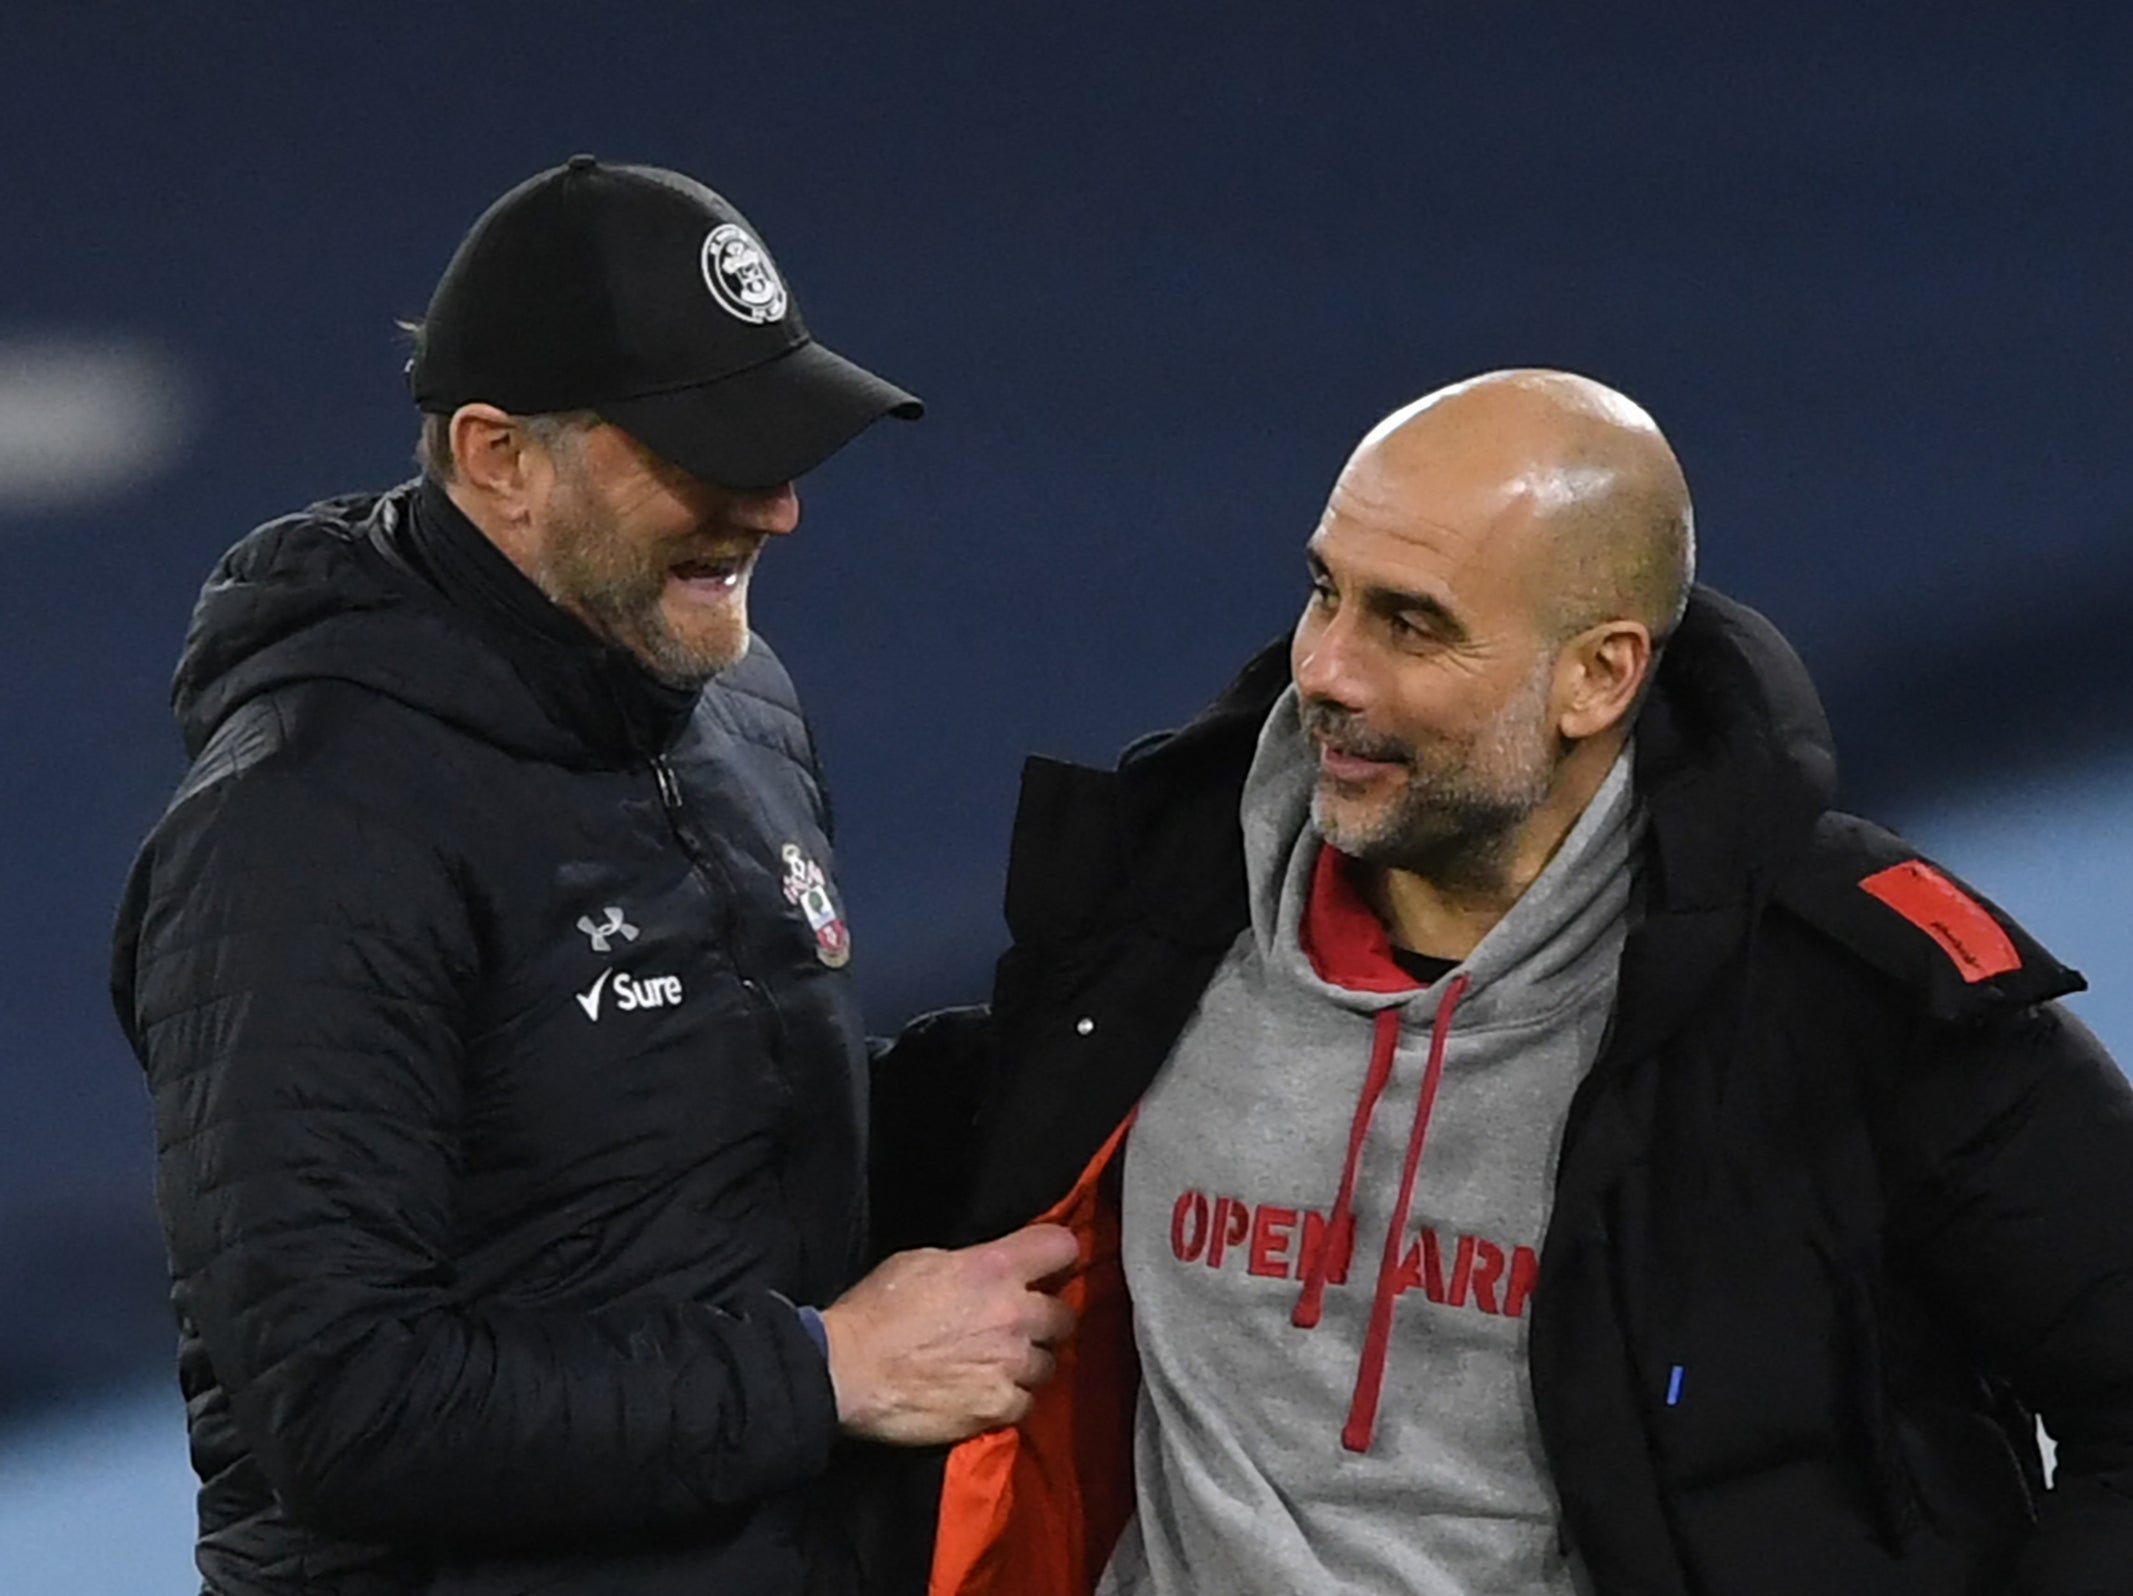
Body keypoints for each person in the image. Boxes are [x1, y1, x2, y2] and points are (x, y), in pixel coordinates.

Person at [877, 370, 2133, 1594]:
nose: (1326, 670)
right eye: (1326, 593)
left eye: (1411, 623)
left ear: (1600, 675)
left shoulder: (1847, 994)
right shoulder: (1153, 905)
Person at [109, 156, 1078, 1596]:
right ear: (499, 456)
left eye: (785, 440)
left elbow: (682, 1163)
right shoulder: (305, 823)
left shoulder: (737, 711)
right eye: (710, 449)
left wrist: (1077, 1049)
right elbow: (347, 1403)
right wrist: (825, 1371)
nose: (777, 507)